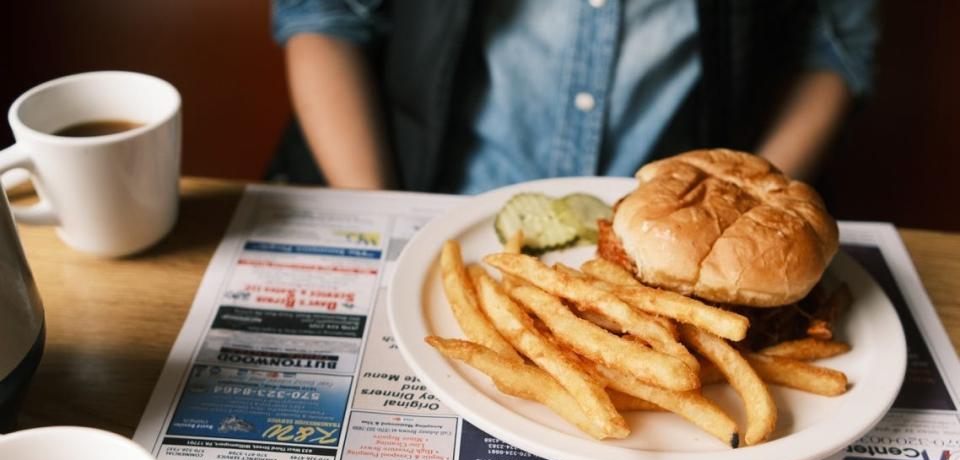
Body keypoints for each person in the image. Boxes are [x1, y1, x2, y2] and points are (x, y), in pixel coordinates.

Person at [269, 0, 878, 193]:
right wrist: (387, 222)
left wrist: (738, 215)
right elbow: (326, 15)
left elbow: (832, 52)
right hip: (419, 195)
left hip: (657, 226)